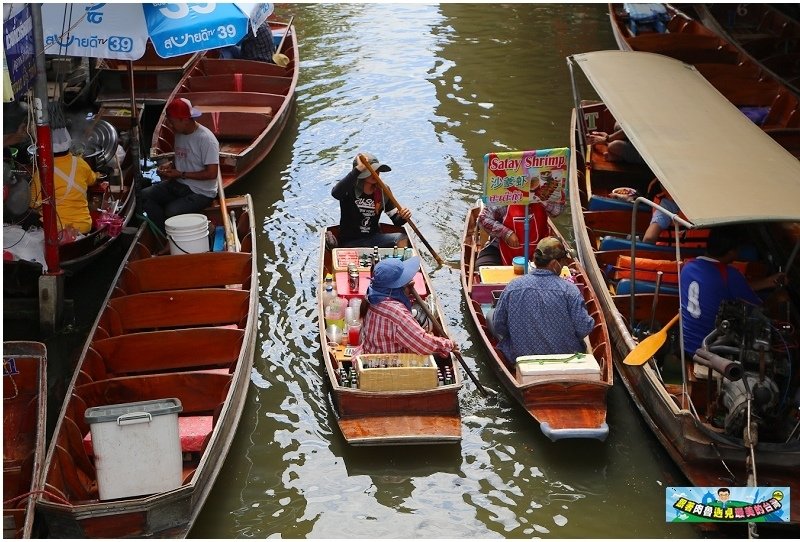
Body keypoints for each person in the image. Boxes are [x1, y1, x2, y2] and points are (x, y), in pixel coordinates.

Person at [680, 225, 786, 357]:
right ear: (731, 252)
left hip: (688, 342)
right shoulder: (730, 275)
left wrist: (767, 282)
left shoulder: (687, 267)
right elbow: (759, 306)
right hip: (709, 348)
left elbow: (724, 287)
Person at [491, 237, 594, 364]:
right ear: (554, 263)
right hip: (566, 359)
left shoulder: (513, 286)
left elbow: (499, 325)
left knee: (492, 315)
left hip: (521, 357)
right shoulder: (570, 290)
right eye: (562, 261)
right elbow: (584, 328)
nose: (564, 265)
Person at [138, 98, 219, 233]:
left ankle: (172, 235)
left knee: (171, 211)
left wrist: (181, 174)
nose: (170, 125)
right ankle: (164, 236)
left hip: (201, 192)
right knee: (144, 195)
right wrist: (169, 168)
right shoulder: (180, 133)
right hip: (179, 183)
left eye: (172, 122)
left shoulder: (206, 140)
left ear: (185, 120)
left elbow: (212, 174)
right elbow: (180, 158)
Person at [358, 256, 455, 357]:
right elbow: (422, 344)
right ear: (396, 287)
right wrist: (449, 345)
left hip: (371, 353)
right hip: (390, 363)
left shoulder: (372, 295)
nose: (411, 281)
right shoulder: (396, 312)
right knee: (434, 348)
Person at [329, 152, 412, 248]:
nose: (375, 173)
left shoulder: (383, 190)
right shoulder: (349, 187)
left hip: (373, 238)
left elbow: (397, 221)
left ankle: (400, 262)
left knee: (401, 238)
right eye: (370, 170)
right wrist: (358, 169)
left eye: (377, 170)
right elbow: (335, 193)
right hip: (350, 241)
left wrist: (403, 216)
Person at [29, 127, 99, 235]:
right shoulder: (81, 164)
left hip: (57, 230)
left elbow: (33, 204)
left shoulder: (41, 174)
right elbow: (92, 180)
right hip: (84, 227)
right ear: (69, 145)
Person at [475, 197, 564, 268]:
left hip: (543, 250)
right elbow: (483, 218)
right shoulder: (505, 197)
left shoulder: (547, 194)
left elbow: (557, 211)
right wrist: (506, 233)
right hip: (501, 247)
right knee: (482, 268)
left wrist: (541, 198)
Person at [642, 179, 680, 244]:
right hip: (697, 251)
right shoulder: (668, 204)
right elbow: (649, 238)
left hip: (674, 252)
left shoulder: (668, 204)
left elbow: (649, 238)